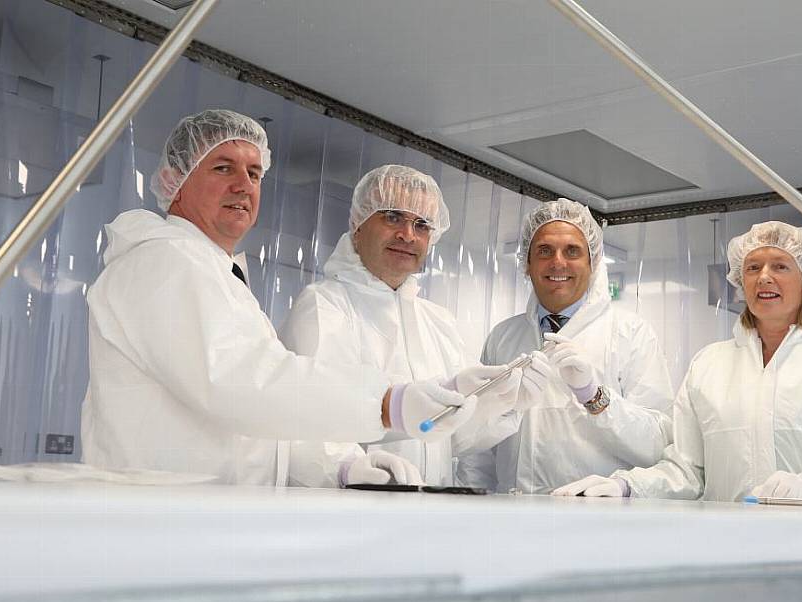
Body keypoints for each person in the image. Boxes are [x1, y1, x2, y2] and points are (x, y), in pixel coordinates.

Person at [81, 109, 477, 487]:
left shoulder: (212, 272)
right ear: (175, 180)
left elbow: (268, 411)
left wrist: (342, 465)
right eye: (223, 168)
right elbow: (238, 380)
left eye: (254, 173)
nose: (243, 185)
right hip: (167, 525)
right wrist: (385, 401)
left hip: (201, 519)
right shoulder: (165, 261)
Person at [554, 221, 802, 503]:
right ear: (740, 281)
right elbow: (687, 471)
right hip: (728, 550)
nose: (764, 277)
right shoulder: (709, 364)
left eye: (780, 266)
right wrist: (628, 487)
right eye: (752, 267)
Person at [280, 165, 552, 485]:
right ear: (358, 225)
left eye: (422, 224)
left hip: (425, 516)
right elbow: (300, 419)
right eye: (393, 216)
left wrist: (504, 402)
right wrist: (344, 469)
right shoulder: (324, 306)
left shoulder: (437, 321)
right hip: (350, 511)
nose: (408, 235)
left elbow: (452, 438)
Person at [455, 199, 674, 494]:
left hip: (597, 517)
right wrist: (471, 502)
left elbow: (658, 442)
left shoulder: (630, 333)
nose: (558, 262)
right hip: (513, 518)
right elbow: (477, 445)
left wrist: (596, 398)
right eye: (544, 251)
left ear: (592, 263)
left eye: (572, 251)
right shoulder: (503, 337)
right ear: (527, 264)